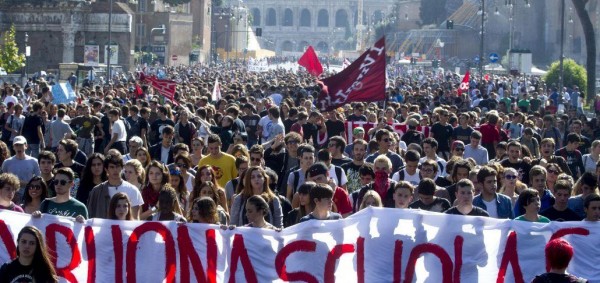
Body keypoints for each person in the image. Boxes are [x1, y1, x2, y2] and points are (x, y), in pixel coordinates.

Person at [87, 150, 144, 219]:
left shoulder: (133, 190)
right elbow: (90, 217)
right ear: (106, 170)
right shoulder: (96, 191)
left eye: (118, 166)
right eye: (112, 167)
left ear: (122, 168)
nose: (115, 170)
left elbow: (135, 219)